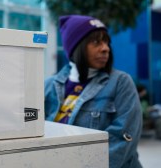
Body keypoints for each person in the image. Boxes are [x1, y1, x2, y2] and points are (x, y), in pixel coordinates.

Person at [45, 15, 142, 168]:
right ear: (77, 47)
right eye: (96, 42)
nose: (105, 48)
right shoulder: (49, 86)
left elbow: (122, 139)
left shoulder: (120, 82)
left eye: (106, 42)